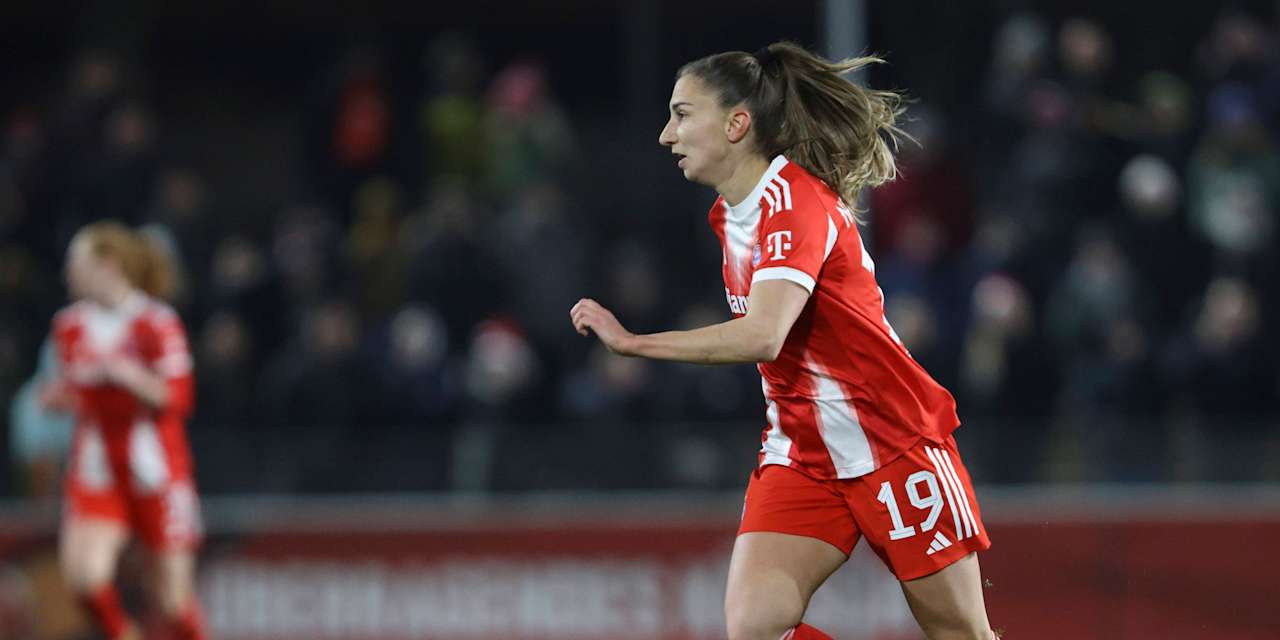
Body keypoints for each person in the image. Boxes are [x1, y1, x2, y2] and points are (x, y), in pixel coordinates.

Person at [570, 42, 996, 639]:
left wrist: (637, 344)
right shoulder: (728, 216)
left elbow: (765, 334)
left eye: (683, 114)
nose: (668, 135)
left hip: (892, 442)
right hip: (802, 454)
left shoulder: (793, 201)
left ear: (737, 123)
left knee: (962, 635)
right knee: (754, 629)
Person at [41, 221, 207, 640]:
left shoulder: (156, 322)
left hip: (157, 469)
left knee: (172, 598)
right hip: (97, 467)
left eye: (75, 263)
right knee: (84, 576)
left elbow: (179, 399)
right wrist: (61, 397)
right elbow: (79, 394)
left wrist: (127, 375)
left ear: (107, 265)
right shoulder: (69, 326)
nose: (68, 274)